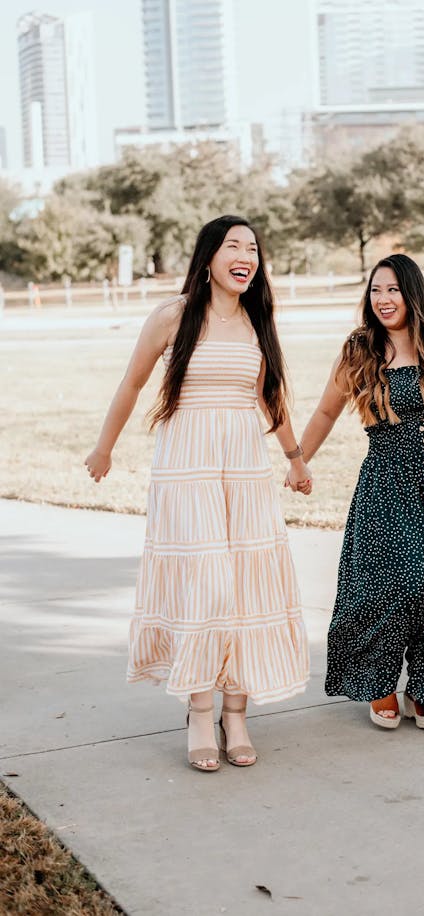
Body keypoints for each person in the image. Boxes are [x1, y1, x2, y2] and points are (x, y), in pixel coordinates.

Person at [85, 215, 312, 772]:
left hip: (244, 466)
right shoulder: (174, 315)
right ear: (208, 256)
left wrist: (295, 458)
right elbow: (133, 382)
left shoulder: (258, 320)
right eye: (233, 245)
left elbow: (270, 397)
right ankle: (199, 709)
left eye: (253, 248)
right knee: (207, 584)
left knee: (246, 587)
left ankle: (236, 713)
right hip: (187, 464)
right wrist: (103, 447)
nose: (246, 255)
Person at [294, 254, 424, 730]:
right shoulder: (359, 349)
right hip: (388, 483)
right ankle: (377, 680)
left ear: (413, 294)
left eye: (392, 290)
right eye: (375, 291)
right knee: (393, 582)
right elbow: (326, 413)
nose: (382, 300)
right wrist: (298, 459)